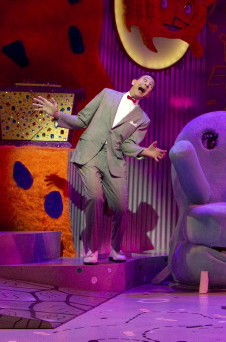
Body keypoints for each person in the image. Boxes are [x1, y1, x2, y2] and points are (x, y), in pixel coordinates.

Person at [33, 75, 167, 265]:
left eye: (151, 85)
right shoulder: (107, 94)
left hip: (114, 161)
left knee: (120, 207)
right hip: (90, 154)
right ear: (134, 81)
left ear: (149, 94)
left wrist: (144, 151)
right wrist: (57, 115)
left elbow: (127, 145)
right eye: (145, 80)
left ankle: (115, 248)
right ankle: (92, 249)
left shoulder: (143, 119)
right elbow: (82, 120)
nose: (147, 84)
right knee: (95, 198)